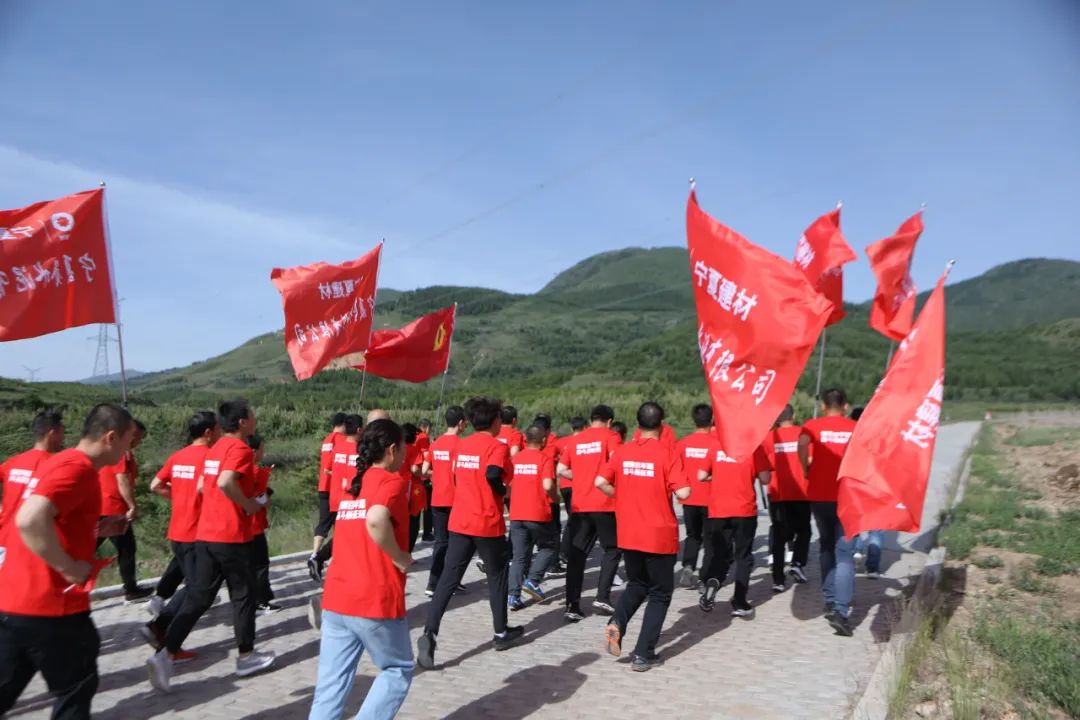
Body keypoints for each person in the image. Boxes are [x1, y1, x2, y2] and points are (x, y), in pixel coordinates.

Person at [0, 403, 135, 719]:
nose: (129, 451)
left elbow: (54, 519)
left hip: (14, 602)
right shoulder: (78, 469)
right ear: (111, 437)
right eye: (129, 441)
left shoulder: (58, 462)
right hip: (53, 605)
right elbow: (30, 519)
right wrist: (69, 567)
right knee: (75, 690)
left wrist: (98, 527)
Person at [146, 399, 275, 692]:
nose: (255, 419)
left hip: (205, 533)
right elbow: (226, 481)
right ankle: (246, 657)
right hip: (232, 535)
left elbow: (204, 486)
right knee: (243, 596)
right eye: (252, 414)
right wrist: (248, 505)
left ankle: (165, 654)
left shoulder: (214, 449)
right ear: (242, 421)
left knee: (198, 597)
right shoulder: (240, 449)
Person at [308, 419, 414, 720]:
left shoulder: (354, 486)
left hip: (337, 598)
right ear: (392, 450)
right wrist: (399, 556)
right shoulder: (391, 482)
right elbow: (376, 519)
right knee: (397, 669)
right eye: (403, 448)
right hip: (374, 598)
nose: (405, 454)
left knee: (331, 685)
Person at [417, 396, 523, 670]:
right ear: (495, 420)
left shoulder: (462, 446)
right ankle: (501, 633)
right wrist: (502, 491)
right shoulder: (497, 446)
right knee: (497, 576)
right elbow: (493, 474)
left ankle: (429, 633)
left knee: (448, 579)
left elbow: (455, 475)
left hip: (460, 520)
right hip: (486, 522)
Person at [596, 402, 690, 672]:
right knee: (660, 593)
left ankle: (617, 622)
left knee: (637, 584)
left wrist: (620, 496)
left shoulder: (623, 451)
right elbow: (683, 493)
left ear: (637, 424)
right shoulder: (667, 452)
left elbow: (600, 482)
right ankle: (643, 653)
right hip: (659, 535)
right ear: (662, 425)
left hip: (629, 532)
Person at [142, 411, 220, 661]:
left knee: (195, 587)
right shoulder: (210, 457)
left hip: (178, 531)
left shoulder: (178, 456)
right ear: (208, 432)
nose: (220, 433)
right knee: (199, 591)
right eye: (218, 429)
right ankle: (163, 637)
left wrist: (179, 496)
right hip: (198, 533)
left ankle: (162, 632)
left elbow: (155, 485)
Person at [799, 388, 858, 636]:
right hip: (848, 496)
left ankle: (830, 600)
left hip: (819, 495)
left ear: (823, 406)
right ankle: (841, 612)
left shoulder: (812, 426)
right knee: (845, 554)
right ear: (845, 406)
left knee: (825, 545)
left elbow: (802, 445)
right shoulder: (855, 427)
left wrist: (806, 469)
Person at [557, 404, 622, 622]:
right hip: (605, 504)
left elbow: (560, 470)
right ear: (609, 421)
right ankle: (602, 597)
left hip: (580, 505)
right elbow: (617, 463)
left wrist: (581, 476)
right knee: (612, 549)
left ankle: (572, 605)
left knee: (577, 556)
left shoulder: (576, 440)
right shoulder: (611, 437)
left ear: (591, 419)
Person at [698, 443, 773, 618]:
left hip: (718, 509)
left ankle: (713, 581)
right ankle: (739, 601)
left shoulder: (716, 445)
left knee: (720, 554)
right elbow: (765, 479)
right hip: (744, 510)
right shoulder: (754, 448)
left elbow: (701, 475)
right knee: (743, 556)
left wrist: (719, 476)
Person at [506, 425, 559, 611]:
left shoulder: (515, 459)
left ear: (525, 440)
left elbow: (507, 486)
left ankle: (513, 596)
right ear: (543, 440)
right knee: (549, 546)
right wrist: (556, 497)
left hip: (516, 514)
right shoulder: (544, 459)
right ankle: (533, 580)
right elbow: (547, 485)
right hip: (537, 513)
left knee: (519, 557)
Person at [0, 410, 65, 549]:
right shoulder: (57, 466)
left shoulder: (14, 461)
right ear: (52, 433)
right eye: (62, 433)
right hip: (31, 545)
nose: (63, 438)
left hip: (4, 541)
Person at [310, 415, 362, 581]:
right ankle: (323, 560)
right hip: (350, 500)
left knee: (342, 535)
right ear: (359, 430)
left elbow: (328, 469)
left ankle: (320, 559)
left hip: (335, 497)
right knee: (348, 536)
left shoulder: (335, 446)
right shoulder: (359, 449)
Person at [421, 406, 466, 597]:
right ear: (460, 423)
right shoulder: (460, 444)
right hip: (455, 499)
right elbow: (458, 472)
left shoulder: (435, 443)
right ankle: (449, 582)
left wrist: (438, 473)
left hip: (437, 498)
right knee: (456, 543)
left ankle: (432, 584)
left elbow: (424, 471)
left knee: (440, 542)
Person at [766, 404, 812, 591]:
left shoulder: (768, 437)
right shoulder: (804, 433)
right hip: (801, 491)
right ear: (793, 415)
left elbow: (764, 466)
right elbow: (810, 460)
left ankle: (778, 579)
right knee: (804, 530)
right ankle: (797, 563)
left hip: (778, 493)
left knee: (779, 536)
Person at [674, 404, 718, 588]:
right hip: (711, 499)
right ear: (712, 419)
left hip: (689, 498)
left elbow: (676, 470)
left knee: (692, 535)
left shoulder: (682, 444)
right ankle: (704, 578)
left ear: (693, 420)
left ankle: (688, 566)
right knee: (709, 539)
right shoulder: (717, 443)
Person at [311, 413, 348, 575]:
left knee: (323, 523)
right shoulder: (341, 440)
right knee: (341, 526)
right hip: (335, 488)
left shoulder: (327, 440)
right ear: (344, 424)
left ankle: (314, 554)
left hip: (323, 486)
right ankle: (329, 558)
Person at [248, 434, 280, 614]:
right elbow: (261, 498)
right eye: (262, 449)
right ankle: (261, 601)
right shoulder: (255, 471)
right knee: (260, 565)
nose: (263, 452)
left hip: (243, 525)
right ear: (253, 451)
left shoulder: (239, 470)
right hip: (254, 525)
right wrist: (267, 498)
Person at [552, 415, 585, 573]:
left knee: (574, 519)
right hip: (577, 485)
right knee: (574, 521)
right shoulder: (585, 442)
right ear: (585, 427)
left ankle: (566, 550)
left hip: (564, 486)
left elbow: (552, 456)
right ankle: (565, 552)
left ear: (572, 428)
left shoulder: (561, 442)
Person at [415, 419, 434, 542]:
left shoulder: (414, 437)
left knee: (416, 508)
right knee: (428, 507)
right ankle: (427, 533)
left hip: (415, 478)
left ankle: (414, 531)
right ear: (426, 428)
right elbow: (427, 456)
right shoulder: (424, 438)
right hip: (424, 477)